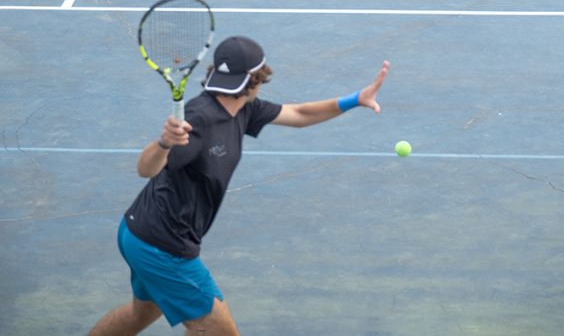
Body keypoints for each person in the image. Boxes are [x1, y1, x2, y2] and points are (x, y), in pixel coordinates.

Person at [89, 35, 389, 335]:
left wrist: (355, 99)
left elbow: (299, 114)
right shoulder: (199, 118)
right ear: (256, 78)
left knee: (139, 314)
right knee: (219, 331)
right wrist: (164, 143)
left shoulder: (245, 108)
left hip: (137, 232)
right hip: (162, 245)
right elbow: (146, 169)